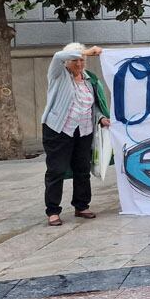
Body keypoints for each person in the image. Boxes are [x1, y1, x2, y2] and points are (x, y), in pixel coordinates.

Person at [41, 43, 110, 227]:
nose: (79, 63)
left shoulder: (89, 79)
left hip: (84, 130)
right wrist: (87, 51)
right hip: (59, 129)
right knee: (56, 169)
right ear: (67, 62)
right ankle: (53, 210)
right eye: (75, 60)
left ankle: (81, 205)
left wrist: (101, 117)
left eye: (82, 60)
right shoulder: (58, 74)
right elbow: (57, 55)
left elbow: (92, 106)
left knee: (82, 169)